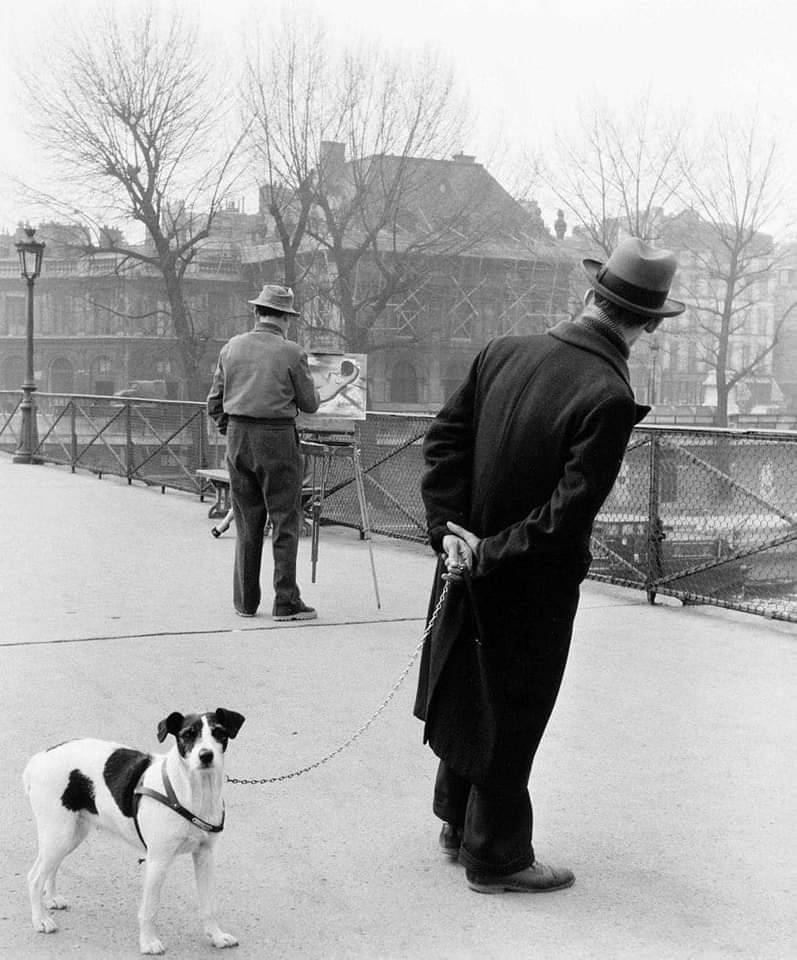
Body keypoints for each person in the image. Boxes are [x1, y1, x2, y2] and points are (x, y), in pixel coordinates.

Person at [414, 237, 685, 894]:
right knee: (515, 711)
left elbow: (443, 443)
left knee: (465, 684)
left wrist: (448, 534)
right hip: (526, 585)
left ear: (589, 295)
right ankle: (497, 856)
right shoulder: (607, 393)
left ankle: (456, 820)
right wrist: (491, 555)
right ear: (646, 324)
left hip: (461, 562)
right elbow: (568, 513)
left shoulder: (501, 350)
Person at [207, 284, 320, 620]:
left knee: (246, 520)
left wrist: (231, 429)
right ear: (286, 318)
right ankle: (285, 601)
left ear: (257, 312)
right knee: (285, 519)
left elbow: (214, 401)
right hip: (277, 440)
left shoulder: (231, 348)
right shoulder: (292, 352)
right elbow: (310, 404)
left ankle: (245, 602)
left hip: (238, 439)